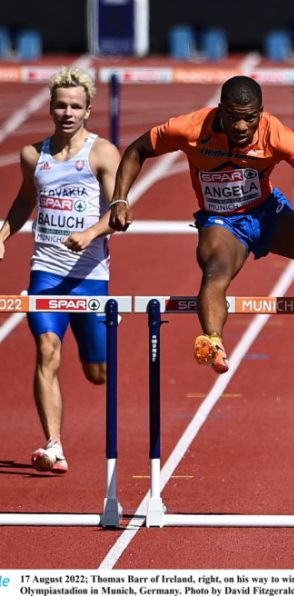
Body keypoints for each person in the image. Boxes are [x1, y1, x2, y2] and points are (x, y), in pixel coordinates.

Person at [109, 75, 294, 375]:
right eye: (233, 118)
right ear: (220, 110)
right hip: (221, 222)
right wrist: (120, 200)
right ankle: (214, 343)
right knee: (215, 270)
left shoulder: (276, 134)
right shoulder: (189, 128)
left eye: (250, 118)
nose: (241, 127)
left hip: (267, 214)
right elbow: (137, 150)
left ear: (261, 112)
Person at [0, 67, 121, 473]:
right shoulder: (34, 156)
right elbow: (21, 204)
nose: (67, 113)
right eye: (60, 105)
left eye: (75, 106)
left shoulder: (102, 154)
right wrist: (2, 234)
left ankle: (93, 364)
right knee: (47, 351)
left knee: (98, 371)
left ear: (88, 110)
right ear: (51, 108)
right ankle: (54, 445)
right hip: (46, 273)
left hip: (90, 278)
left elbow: (123, 214)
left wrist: (92, 233)